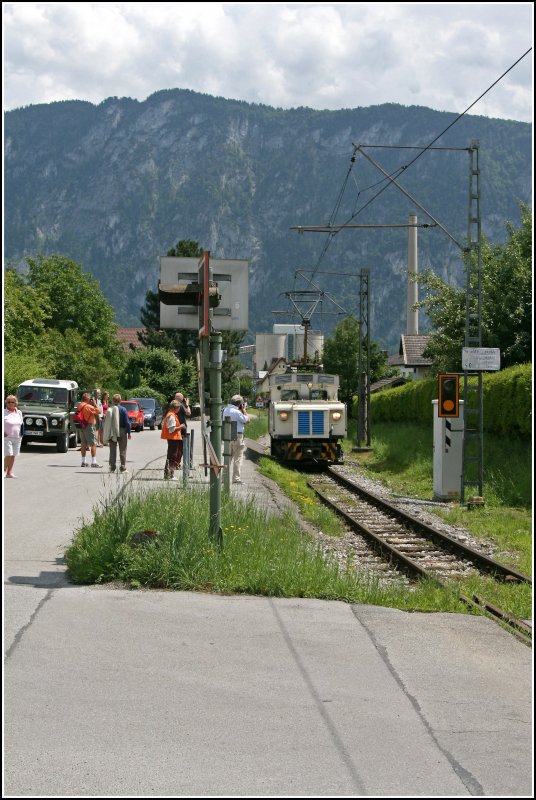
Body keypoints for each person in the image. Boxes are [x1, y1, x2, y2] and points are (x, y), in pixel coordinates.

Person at [222, 394, 250, 484]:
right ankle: (236, 479)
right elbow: (247, 420)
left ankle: (224, 478)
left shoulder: (225, 410)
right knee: (237, 458)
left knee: (227, 458)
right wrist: (244, 411)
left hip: (227, 436)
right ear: (240, 404)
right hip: (237, 436)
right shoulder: (237, 412)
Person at [103, 393, 131, 473]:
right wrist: (129, 433)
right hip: (122, 431)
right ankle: (122, 467)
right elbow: (127, 422)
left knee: (112, 450)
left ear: (113, 400)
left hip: (112, 431)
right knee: (122, 450)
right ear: (120, 401)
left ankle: (112, 467)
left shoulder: (110, 409)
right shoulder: (123, 409)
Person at [161, 400, 185, 480]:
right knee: (172, 456)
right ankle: (169, 475)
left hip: (173, 438)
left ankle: (168, 474)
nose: (179, 409)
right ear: (176, 408)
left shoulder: (171, 414)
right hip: (173, 438)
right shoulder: (171, 415)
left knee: (171, 456)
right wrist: (181, 427)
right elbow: (172, 429)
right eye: (179, 408)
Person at [77, 392, 102, 467]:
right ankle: (94, 462)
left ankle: (83, 462)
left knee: (83, 444)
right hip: (89, 426)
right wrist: (94, 404)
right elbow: (99, 411)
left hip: (82, 426)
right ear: (88, 399)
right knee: (93, 444)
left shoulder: (80, 405)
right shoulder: (88, 406)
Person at [4, 395, 24, 478]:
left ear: (15, 403)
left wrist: (21, 434)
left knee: (13, 455)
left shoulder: (19, 412)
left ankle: (9, 472)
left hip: (17, 437)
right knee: (8, 454)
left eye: (12, 402)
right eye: (8, 402)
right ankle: (4, 471)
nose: (10, 404)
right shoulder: (3, 412)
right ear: (6, 403)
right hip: (6, 437)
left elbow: (21, 424)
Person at [174, 392, 191, 468]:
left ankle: (175, 463)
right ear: (181, 399)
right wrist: (187, 405)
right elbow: (188, 413)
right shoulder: (180, 405)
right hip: (181, 428)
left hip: (175, 428)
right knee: (180, 447)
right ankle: (176, 463)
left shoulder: (173, 405)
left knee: (175, 447)